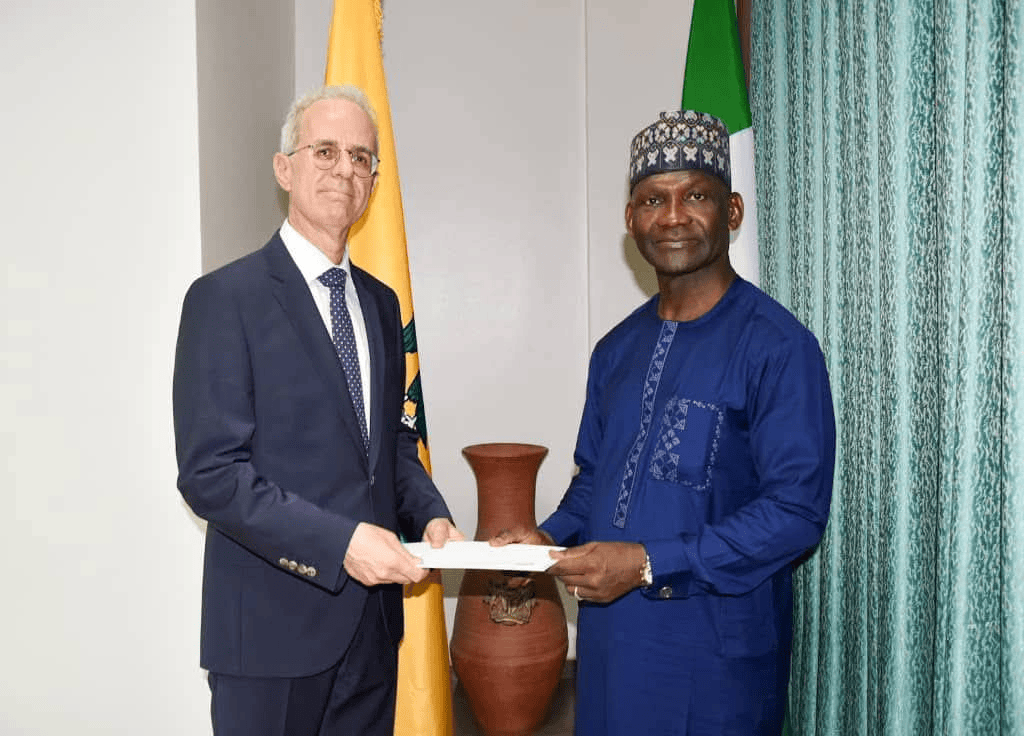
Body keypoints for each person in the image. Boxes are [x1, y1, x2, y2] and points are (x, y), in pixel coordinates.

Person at [493, 110, 836, 735]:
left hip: (716, 661)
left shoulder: (781, 348)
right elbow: (596, 480)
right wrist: (547, 541)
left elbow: (796, 513)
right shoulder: (616, 350)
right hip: (611, 651)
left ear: (731, 212)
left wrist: (650, 562)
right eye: (654, 199)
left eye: (695, 196)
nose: (673, 215)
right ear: (631, 220)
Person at [173, 85, 462, 736]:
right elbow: (211, 473)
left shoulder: (382, 305)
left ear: (374, 181)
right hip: (270, 634)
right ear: (285, 168)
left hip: (373, 629)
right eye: (325, 150)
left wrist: (431, 512)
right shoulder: (225, 299)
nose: (345, 170)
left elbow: (385, 441)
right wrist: (340, 545)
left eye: (362, 158)